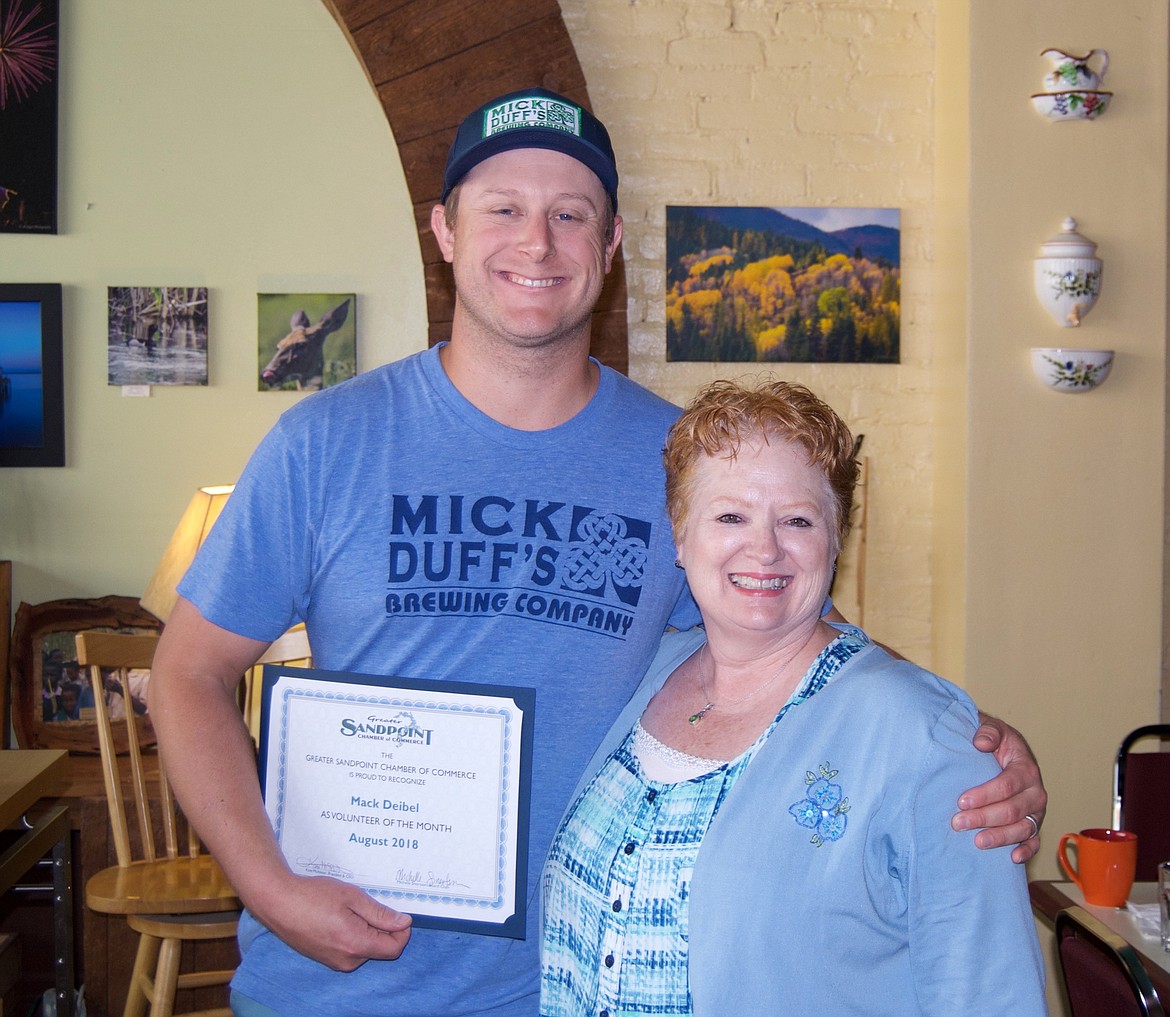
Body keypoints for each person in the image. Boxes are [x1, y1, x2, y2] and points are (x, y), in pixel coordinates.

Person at [149, 87, 1046, 1017]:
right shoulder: (324, 443)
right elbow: (187, 675)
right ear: (445, 231)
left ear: (611, 245)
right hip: (330, 988)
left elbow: (793, 632)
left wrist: (958, 736)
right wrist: (269, 887)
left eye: (570, 215)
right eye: (503, 209)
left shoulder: (682, 462)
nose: (537, 243)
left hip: (563, 986)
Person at [540, 379, 1047, 1016]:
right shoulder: (646, 673)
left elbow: (992, 996)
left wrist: (949, 724)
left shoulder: (927, 742)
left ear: (836, 540)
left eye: (798, 520)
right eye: (730, 516)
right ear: (680, 535)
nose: (764, 548)